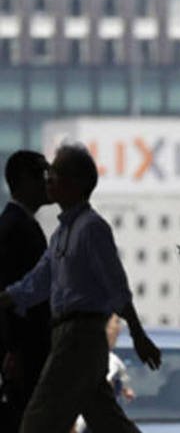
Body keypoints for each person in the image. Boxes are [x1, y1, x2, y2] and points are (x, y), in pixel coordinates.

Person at [0, 143, 161, 433]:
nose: (48, 179)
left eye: (55, 173)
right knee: (107, 420)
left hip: (79, 337)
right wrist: (7, 298)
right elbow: (35, 284)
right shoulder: (62, 233)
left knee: (38, 422)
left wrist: (138, 334)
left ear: (75, 184)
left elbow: (117, 286)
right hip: (70, 336)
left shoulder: (91, 229)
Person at [0, 150, 52, 429]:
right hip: (26, 349)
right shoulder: (16, 228)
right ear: (23, 180)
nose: (48, 182)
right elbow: (9, 291)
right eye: (42, 175)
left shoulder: (19, 224)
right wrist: (14, 348)